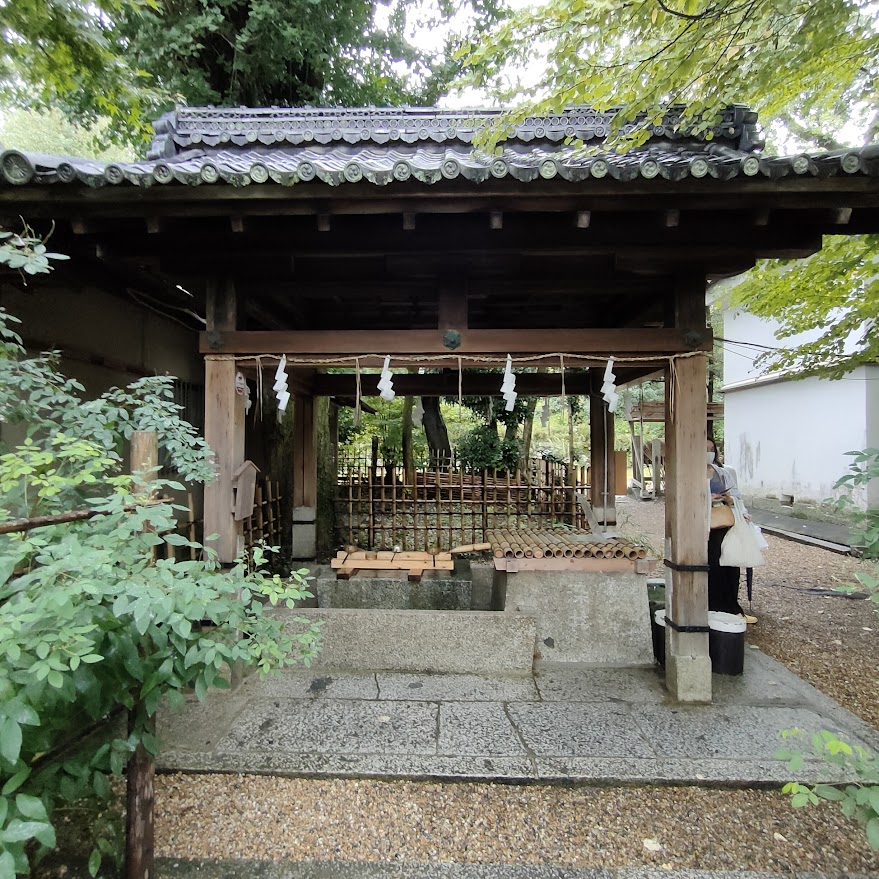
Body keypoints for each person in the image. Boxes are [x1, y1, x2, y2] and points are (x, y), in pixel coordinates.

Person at [707, 438, 757, 623]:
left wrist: (729, 500)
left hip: (725, 521)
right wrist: (705, 498)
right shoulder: (690, 472)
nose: (709, 452)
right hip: (702, 525)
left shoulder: (722, 473)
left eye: (711, 449)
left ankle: (732, 607)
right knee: (712, 565)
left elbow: (736, 497)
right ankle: (713, 608)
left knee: (731, 563)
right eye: (705, 449)